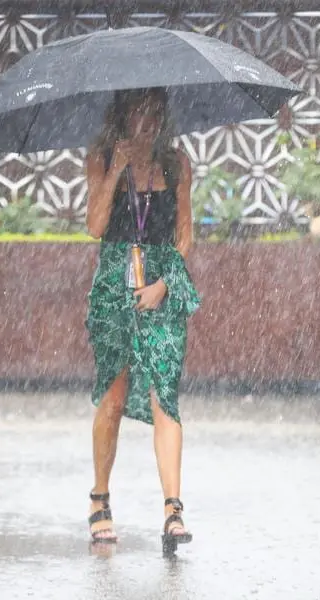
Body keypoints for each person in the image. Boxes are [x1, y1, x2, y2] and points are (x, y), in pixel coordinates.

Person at [83, 87, 201, 547]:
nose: (146, 121)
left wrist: (165, 284)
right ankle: (99, 498)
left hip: (162, 282)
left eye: (154, 112)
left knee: (163, 393)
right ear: (122, 116)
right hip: (115, 283)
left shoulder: (176, 164)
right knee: (113, 397)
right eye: (137, 112)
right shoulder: (101, 156)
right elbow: (94, 226)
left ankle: (173, 510)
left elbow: (185, 235)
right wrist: (116, 170)